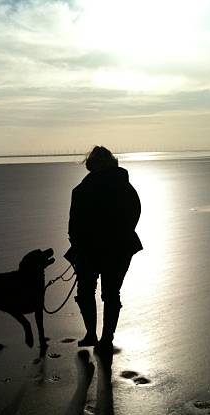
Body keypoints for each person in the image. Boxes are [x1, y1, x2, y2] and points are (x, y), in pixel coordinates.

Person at [64, 146, 142, 354]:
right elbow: (135, 214)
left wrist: (78, 245)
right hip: (120, 248)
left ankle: (94, 334)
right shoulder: (126, 186)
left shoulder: (82, 189)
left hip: (93, 249)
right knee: (109, 293)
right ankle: (105, 338)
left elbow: (74, 224)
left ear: (92, 165)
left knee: (87, 292)